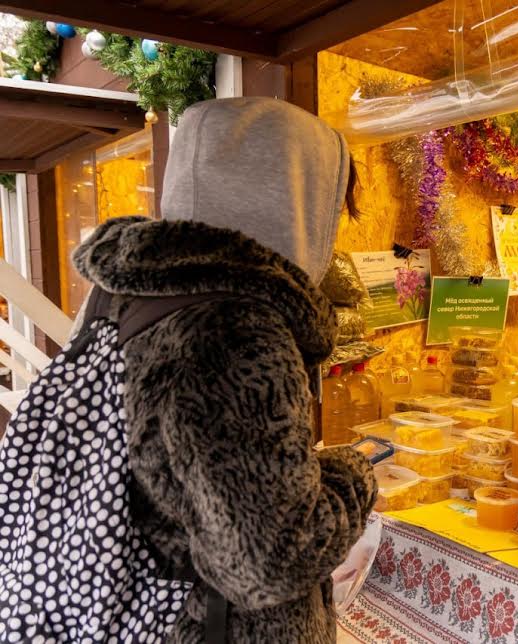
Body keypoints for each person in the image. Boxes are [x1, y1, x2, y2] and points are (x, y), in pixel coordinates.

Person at [0, 98, 376, 642]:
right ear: (297, 201)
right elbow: (269, 560)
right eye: (333, 208)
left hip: (112, 613)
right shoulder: (233, 328)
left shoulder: (126, 294)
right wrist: (351, 476)